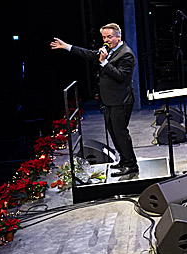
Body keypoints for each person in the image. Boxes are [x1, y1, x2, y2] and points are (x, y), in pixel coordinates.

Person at [50, 24, 138, 177]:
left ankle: (131, 165)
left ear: (119, 36)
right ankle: (124, 160)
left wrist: (104, 62)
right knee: (113, 132)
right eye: (104, 37)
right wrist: (67, 47)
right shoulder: (109, 50)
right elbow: (89, 54)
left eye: (109, 37)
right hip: (109, 100)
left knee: (121, 133)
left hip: (121, 101)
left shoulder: (126, 54)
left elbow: (120, 76)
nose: (106, 40)